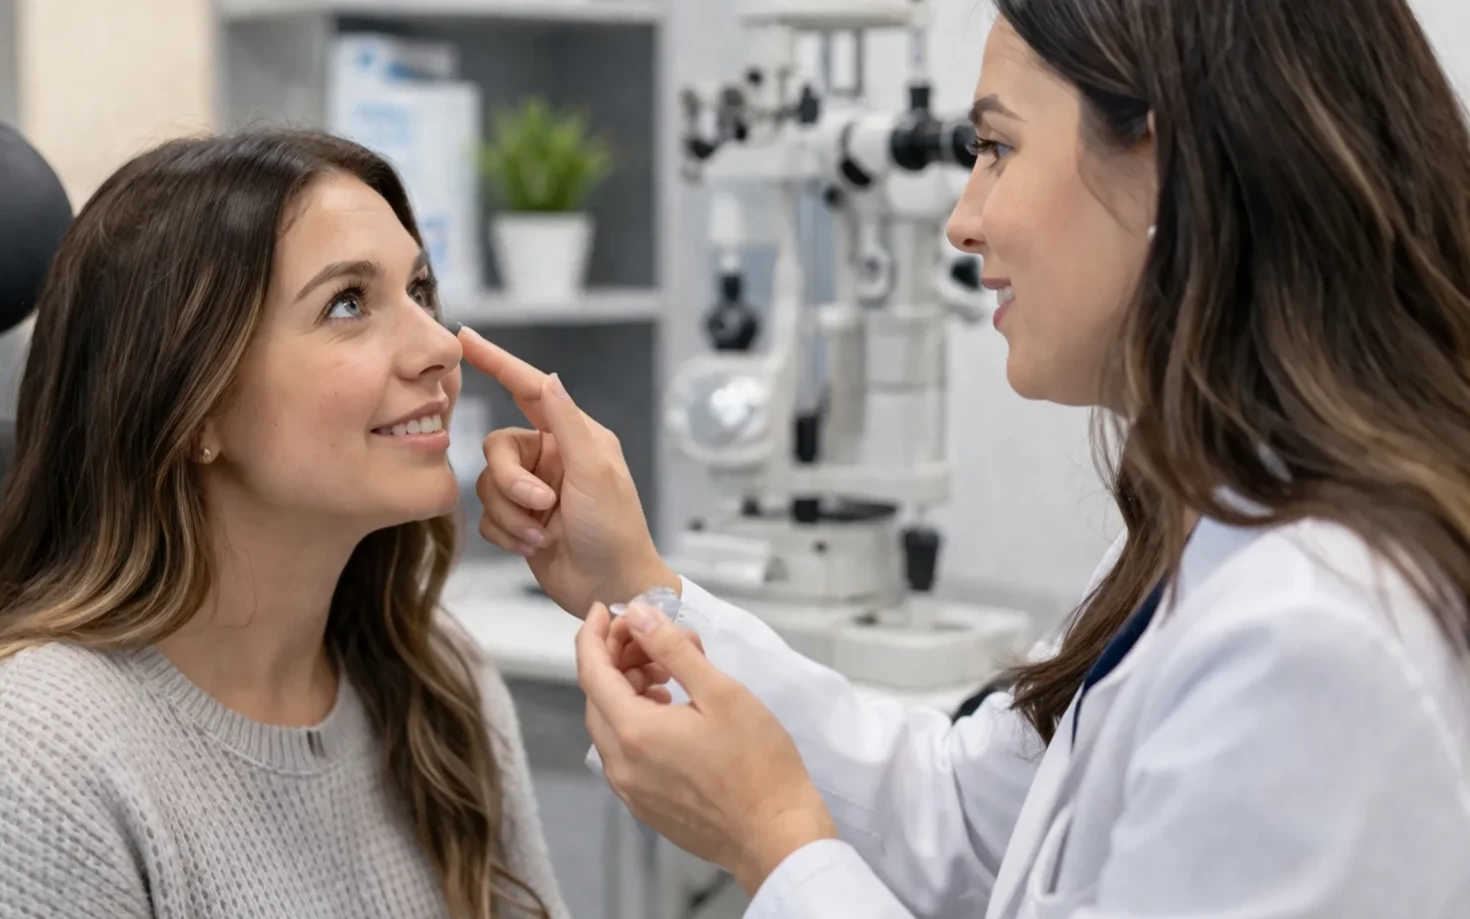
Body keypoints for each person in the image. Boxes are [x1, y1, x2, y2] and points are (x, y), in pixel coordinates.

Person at [464, 0, 1470, 916]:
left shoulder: (1308, 637)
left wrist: (773, 842)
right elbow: (960, 814)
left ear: (1162, 167)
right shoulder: (1206, 535)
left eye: (994, 148)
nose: (960, 218)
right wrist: (638, 584)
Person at [0, 131, 567, 919]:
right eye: (348, 303)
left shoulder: (440, 683)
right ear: (194, 407)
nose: (440, 346)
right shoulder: (39, 750)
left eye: (421, 290)